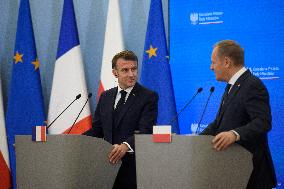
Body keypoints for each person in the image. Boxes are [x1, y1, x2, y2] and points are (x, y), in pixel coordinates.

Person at [200, 40, 277, 189]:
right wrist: (193, 141)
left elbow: (263, 121)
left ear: (227, 62)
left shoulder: (252, 85)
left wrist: (234, 134)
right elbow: (218, 123)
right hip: (234, 172)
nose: (211, 67)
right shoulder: (232, 86)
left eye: (213, 62)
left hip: (252, 174)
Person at [84, 50, 158, 189]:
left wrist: (125, 145)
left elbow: (146, 130)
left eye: (134, 69)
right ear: (115, 73)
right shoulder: (106, 96)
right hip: (106, 167)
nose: (131, 74)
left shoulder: (148, 97)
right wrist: (76, 140)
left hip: (133, 169)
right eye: (125, 70)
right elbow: (97, 130)